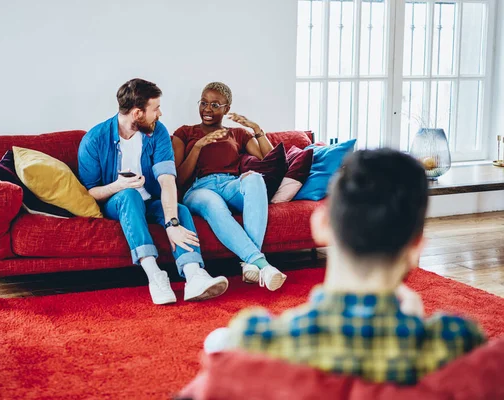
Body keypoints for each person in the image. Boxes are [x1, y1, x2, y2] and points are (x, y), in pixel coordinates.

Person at [202, 148, 486, 385]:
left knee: (217, 341)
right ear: (417, 248)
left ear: (321, 225)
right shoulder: (457, 342)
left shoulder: (255, 340)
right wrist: (412, 323)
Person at [78, 78, 228, 305]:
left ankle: (193, 273)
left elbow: (167, 181)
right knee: (129, 195)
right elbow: (89, 193)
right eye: (155, 109)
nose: (160, 114)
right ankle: (154, 275)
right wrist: (118, 186)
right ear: (138, 113)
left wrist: (172, 224)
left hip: (151, 201)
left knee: (179, 208)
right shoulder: (94, 140)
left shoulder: (157, 133)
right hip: (117, 202)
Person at [172, 82, 286, 291]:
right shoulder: (185, 133)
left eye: (215, 105)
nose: (207, 109)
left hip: (230, 184)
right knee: (213, 203)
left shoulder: (238, 134)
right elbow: (178, 179)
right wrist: (198, 147)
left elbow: (270, 160)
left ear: (227, 109)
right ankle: (261, 264)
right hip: (199, 189)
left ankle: (251, 264)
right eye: (204, 103)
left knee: (255, 179)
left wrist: (257, 130)